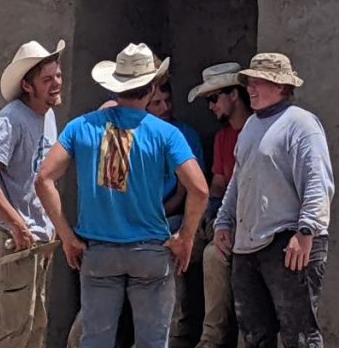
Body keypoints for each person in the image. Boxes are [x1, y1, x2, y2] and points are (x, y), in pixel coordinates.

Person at [36, 43, 209, 348]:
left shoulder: (81, 126)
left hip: (99, 250)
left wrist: (67, 236)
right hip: (150, 251)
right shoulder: (166, 133)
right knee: (153, 341)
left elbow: (44, 179)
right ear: (152, 87)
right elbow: (200, 189)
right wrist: (186, 237)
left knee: (96, 340)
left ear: (114, 86)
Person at [214, 53, 335, 348]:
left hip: (288, 242)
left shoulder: (301, 124)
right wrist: (223, 220)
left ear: (281, 87)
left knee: (300, 335)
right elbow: (239, 181)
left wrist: (305, 233)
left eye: (259, 82)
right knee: (255, 334)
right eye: (250, 82)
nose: (251, 88)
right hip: (248, 245)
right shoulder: (251, 127)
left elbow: (318, 182)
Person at [0, 39, 66, 348]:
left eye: (58, 76)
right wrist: (18, 225)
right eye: (47, 79)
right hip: (11, 240)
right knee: (11, 333)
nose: (56, 84)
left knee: (34, 327)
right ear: (27, 85)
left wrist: (50, 228)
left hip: (34, 240)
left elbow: (43, 178)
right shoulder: (11, 119)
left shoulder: (47, 116)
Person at [186, 63, 251, 348]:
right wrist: (207, 213)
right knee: (176, 246)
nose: (211, 106)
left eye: (214, 98)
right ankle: (174, 333)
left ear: (234, 95)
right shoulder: (224, 137)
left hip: (247, 224)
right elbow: (218, 182)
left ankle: (211, 339)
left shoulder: (255, 130)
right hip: (220, 218)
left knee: (214, 256)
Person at [146, 80, 206, 348]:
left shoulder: (184, 135)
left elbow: (186, 194)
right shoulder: (136, 135)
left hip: (169, 217)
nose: (165, 107)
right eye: (157, 103)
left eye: (167, 100)